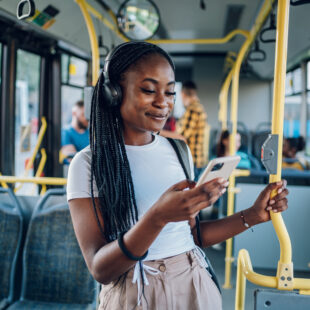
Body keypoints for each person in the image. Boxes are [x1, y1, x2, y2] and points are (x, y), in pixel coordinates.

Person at [66, 42, 289, 310]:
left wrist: (252, 215)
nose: (163, 102)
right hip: (134, 290)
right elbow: (100, 269)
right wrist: (157, 217)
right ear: (114, 93)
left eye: (171, 92)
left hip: (193, 279)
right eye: (149, 90)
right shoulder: (88, 164)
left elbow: (192, 237)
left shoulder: (178, 149)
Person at [176, 81, 208, 179]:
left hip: (193, 161)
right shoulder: (198, 108)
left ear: (183, 94)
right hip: (197, 160)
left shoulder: (193, 109)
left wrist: (160, 132)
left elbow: (182, 135)